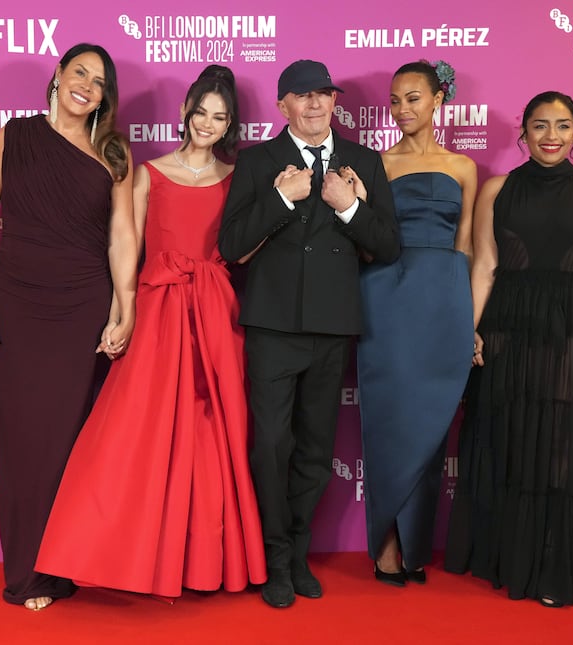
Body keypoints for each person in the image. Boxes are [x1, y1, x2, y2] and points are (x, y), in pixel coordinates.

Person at [36, 65, 267, 600]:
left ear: (229, 123)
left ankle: (204, 562)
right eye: (201, 111)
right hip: (160, 312)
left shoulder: (238, 178)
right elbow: (127, 252)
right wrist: (123, 313)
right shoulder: (147, 174)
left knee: (212, 433)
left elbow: (243, 249)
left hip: (215, 313)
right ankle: (118, 555)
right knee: (137, 433)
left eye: (220, 116)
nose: (207, 123)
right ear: (186, 111)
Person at [444, 91, 573, 607]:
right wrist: (468, 328)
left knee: (563, 442)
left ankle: (557, 559)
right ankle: (514, 557)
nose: (550, 135)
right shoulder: (497, 189)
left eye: (561, 125)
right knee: (511, 437)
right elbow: (484, 266)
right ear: (524, 132)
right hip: (510, 321)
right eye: (539, 126)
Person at [218, 59, 400, 608]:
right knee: (272, 444)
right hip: (272, 326)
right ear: (283, 106)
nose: (317, 104)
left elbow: (387, 244)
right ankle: (274, 557)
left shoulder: (363, 162)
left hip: (332, 326)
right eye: (304, 96)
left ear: (335, 102)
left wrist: (349, 209)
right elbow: (230, 247)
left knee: (316, 450)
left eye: (325, 94)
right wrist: (282, 198)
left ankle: (299, 553)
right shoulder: (256, 164)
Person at [0, 43, 137, 610]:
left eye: (99, 80)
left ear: (106, 95)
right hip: (15, 301)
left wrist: (125, 306)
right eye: (79, 72)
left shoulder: (112, 153)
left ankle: (64, 563)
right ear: (59, 75)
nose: (87, 84)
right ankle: (28, 575)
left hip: (82, 306)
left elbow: (121, 237)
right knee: (21, 442)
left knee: (67, 443)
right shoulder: (15, 136)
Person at [357, 60, 476, 587]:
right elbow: (367, 237)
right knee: (387, 416)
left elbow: (467, 245)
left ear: (438, 101)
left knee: (430, 421)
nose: (403, 109)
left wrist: (468, 315)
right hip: (387, 292)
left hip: (442, 296)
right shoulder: (374, 164)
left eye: (413, 98)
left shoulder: (464, 167)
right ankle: (385, 540)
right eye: (395, 100)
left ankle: (415, 544)